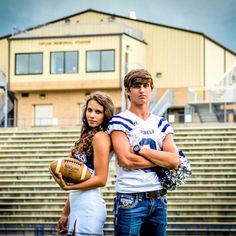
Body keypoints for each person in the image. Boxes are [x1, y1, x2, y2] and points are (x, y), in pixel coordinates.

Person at [107, 69, 180, 236]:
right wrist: (162, 159)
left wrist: (142, 151)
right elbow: (126, 160)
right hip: (130, 198)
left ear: (151, 89)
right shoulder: (119, 121)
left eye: (146, 86)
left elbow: (174, 160)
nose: (142, 90)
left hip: (159, 198)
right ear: (127, 90)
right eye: (137, 86)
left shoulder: (161, 123)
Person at [49, 92, 114, 236]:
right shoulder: (87, 134)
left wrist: (67, 187)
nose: (92, 115)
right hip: (77, 205)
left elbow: (101, 179)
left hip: (89, 207)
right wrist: (66, 213)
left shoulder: (100, 137)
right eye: (89, 110)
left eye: (98, 112)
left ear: (105, 115)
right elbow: (77, 180)